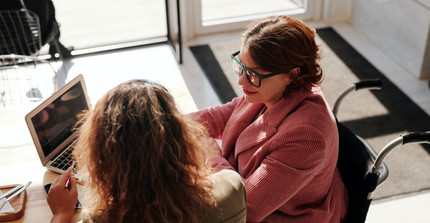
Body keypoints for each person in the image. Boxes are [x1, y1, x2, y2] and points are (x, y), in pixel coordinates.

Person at [191, 15, 349, 222]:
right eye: (241, 66)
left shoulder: (306, 136)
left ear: (292, 75)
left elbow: (246, 208)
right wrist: (165, 120)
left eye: (252, 74)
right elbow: (219, 117)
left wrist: (212, 155)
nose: (240, 80)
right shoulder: (269, 89)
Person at [46, 80, 247, 223]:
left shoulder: (100, 218)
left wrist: (61, 215)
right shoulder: (231, 190)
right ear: (182, 138)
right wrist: (213, 155)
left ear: (104, 155)